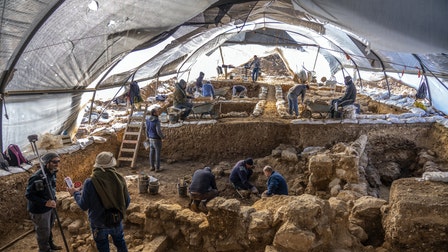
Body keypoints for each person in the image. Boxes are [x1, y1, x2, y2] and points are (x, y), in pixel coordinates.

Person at [67, 152, 130, 252]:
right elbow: (127, 201)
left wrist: (75, 193)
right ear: (111, 164)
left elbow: (83, 205)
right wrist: (116, 212)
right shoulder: (119, 179)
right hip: (116, 220)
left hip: (98, 223)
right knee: (120, 243)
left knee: (103, 247)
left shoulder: (90, 182)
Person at [25, 152, 63, 251]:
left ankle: (50, 245)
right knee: (43, 231)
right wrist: (45, 202)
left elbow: (51, 188)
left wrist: (53, 200)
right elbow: (29, 194)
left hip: (50, 207)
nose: (57, 164)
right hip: (40, 210)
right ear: (47, 163)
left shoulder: (52, 173)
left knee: (49, 228)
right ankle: (44, 250)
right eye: (54, 162)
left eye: (58, 161)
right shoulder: (37, 177)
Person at [146, 107, 165, 172]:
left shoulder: (148, 119)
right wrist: (162, 137)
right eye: (157, 112)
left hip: (150, 138)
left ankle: (152, 167)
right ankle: (157, 168)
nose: (158, 112)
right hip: (156, 139)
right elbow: (158, 131)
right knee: (157, 153)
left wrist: (147, 137)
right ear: (154, 113)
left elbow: (147, 129)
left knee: (151, 153)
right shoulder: (156, 120)